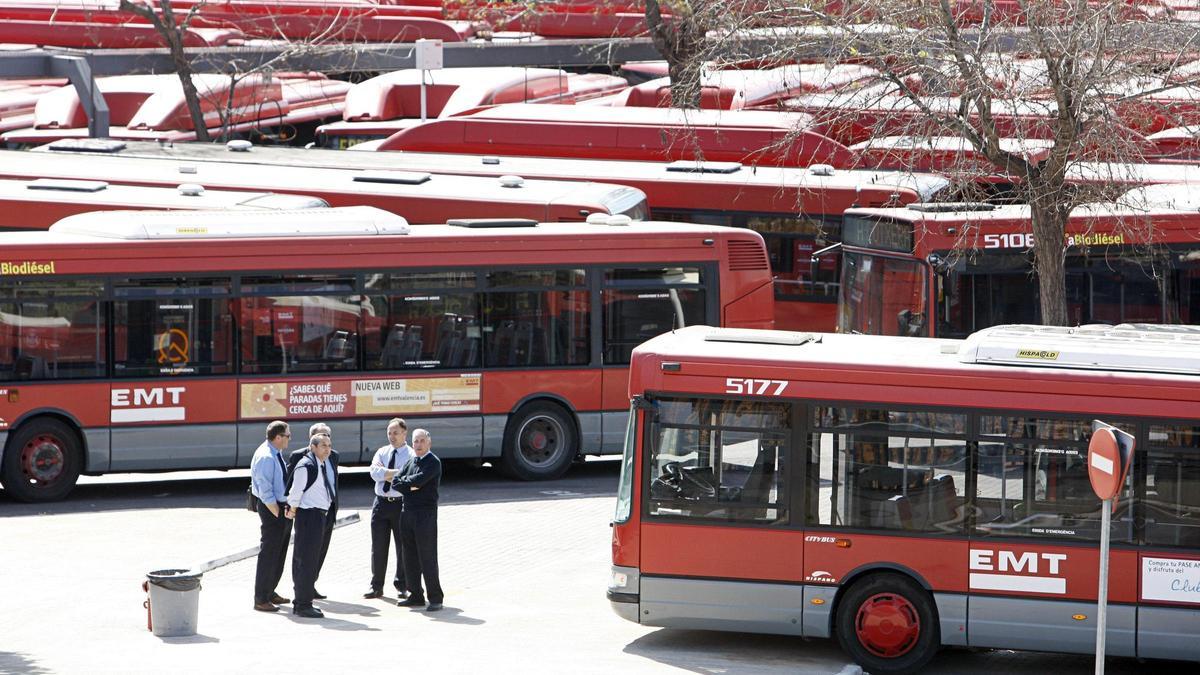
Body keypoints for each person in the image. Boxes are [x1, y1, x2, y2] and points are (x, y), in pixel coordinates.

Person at [286, 433, 336, 619]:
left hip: (317, 516)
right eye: (323, 445)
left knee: (310, 560)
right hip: (309, 516)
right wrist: (292, 509)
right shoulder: (306, 465)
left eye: (329, 445)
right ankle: (303, 604)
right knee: (306, 561)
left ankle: (302, 601)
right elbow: (295, 491)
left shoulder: (320, 463)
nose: (327, 448)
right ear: (312, 447)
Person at [395, 428, 444, 611]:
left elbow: (420, 480)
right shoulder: (410, 461)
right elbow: (396, 482)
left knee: (427, 556)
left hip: (425, 514)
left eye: (422, 441)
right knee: (409, 556)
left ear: (429, 443)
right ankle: (415, 594)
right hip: (407, 512)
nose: (418, 445)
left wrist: (410, 484)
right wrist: (411, 485)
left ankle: (435, 598)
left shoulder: (433, 462)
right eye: (415, 441)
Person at [365, 418, 412, 600]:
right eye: (389, 433)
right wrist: (395, 473)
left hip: (401, 504)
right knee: (378, 546)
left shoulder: (410, 454)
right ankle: (376, 586)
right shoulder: (382, 452)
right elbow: (374, 473)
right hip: (381, 503)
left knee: (403, 547)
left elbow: (407, 477)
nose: (392, 436)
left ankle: (402, 585)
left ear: (404, 433)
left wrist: (386, 473)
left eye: (395, 433)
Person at [250, 420, 293, 613]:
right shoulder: (266, 457)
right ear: (278, 437)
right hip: (272, 508)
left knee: (279, 552)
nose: (289, 439)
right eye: (287, 436)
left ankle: (270, 591)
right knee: (269, 553)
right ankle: (261, 598)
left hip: (280, 507)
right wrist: (277, 513)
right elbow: (265, 490)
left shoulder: (274, 452)